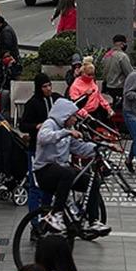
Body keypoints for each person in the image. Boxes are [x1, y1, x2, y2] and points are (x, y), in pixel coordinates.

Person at [33, 98, 110, 234]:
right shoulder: (50, 124)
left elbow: (80, 148)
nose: (75, 119)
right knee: (67, 172)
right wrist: (66, 133)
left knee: (93, 181)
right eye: (73, 116)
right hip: (44, 172)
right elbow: (43, 137)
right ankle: (56, 214)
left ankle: (93, 221)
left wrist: (102, 147)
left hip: (61, 172)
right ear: (65, 115)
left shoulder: (69, 130)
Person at [19, 73, 61, 226]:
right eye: (44, 86)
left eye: (49, 85)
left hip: (53, 150)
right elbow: (23, 125)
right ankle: (35, 223)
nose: (48, 89)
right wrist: (36, 126)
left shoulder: (56, 99)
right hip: (36, 150)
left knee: (49, 186)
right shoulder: (33, 103)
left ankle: (46, 219)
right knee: (35, 186)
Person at [69, 57, 114, 121]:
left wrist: (108, 108)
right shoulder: (75, 86)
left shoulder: (92, 82)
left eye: (93, 75)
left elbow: (99, 97)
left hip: (95, 112)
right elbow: (75, 104)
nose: (91, 77)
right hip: (82, 116)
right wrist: (85, 114)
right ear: (82, 73)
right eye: (89, 75)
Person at [101, 34, 132, 99]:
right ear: (122, 44)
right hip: (119, 88)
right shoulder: (122, 56)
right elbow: (129, 73)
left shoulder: (106, 55)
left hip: (107, 87)